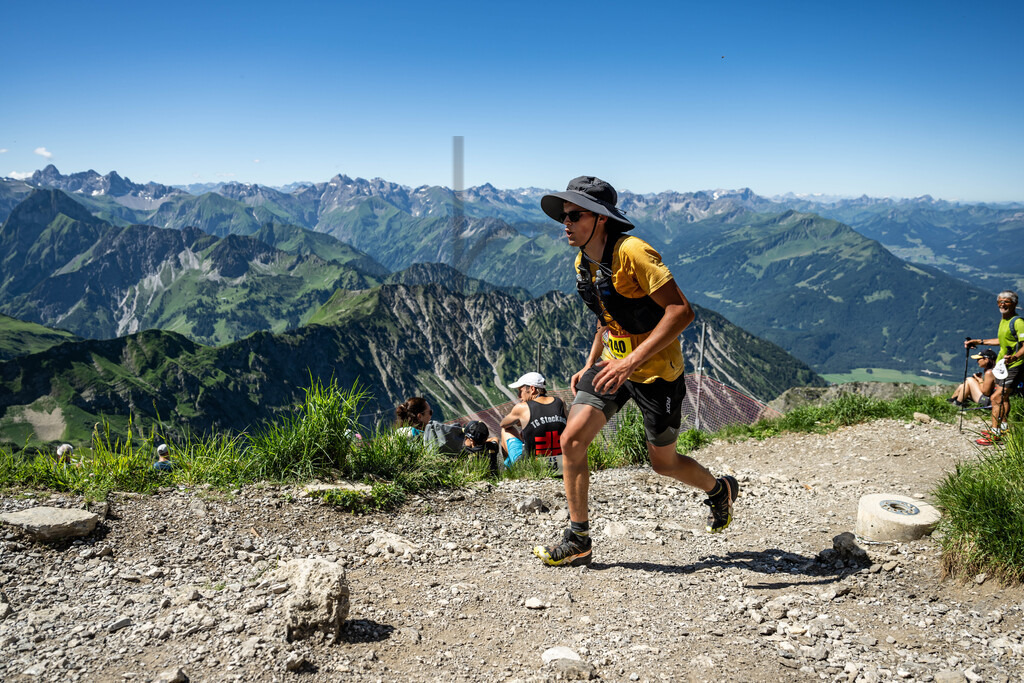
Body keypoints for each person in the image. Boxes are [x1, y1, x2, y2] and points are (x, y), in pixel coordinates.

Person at [532, 176, 739, 568]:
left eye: (574, 215)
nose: (566, 222)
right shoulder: (584, 262)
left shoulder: (634, 252)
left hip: (656, 372)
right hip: (612, 367)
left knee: (663, 463)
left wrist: (631, 362)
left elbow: (682, 311)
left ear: (600, 219)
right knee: (572, 441)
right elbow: (607, 318)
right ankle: (578, 537)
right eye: (564, 215)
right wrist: (592, 363)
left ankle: (718, 489)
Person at [966, 290, 1024, 446]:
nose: (1002, 304)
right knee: (1002, 398)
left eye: (1006, 302)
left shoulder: (1018, 322)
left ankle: (995, 434)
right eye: (1000, 302)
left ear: (1014, 304)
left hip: (1014, 366)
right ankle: (1004, 429)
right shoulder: (1004, 320)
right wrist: (979, 341)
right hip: (1002, 366)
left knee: (996, 398)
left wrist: (1015, 357)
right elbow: (1001, 341)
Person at [499, 372, 567, 472]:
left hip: (534, 467)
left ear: (532, 389)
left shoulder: (522, 407)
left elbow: (503, 423)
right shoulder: (560, 402)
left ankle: (510, 471)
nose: (519, 396)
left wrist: (521, 419)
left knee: (506, 431)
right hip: (561, 465)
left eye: (520, 391)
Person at [394, 396, 465, 454]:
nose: (431, 416)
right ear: (419, 416)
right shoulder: (421, 435)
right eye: (430, 412)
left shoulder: (399, 433)